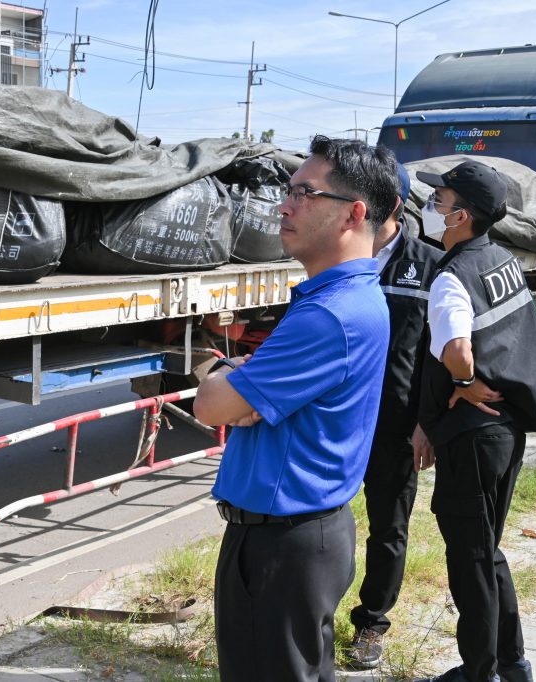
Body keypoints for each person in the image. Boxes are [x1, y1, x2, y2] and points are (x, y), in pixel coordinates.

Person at [193, 135, 396, 681]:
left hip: (285, 543)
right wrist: (244, 385)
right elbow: (229, 404)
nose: (283, 205)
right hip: (284, 536)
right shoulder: (336, 300)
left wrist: (227, 377)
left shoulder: (331, 315)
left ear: (354, 213)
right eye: (288, 191)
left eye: (305, 193)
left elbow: (210, 406)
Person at [413, 160, 536, 682]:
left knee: (470, 561)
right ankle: (511, 663)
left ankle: (481, 672)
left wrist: (459, 383)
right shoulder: (499, 259)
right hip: (503, 431)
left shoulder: (452, 275)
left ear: (462, 215)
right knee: (487, 551)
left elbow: (456, 349)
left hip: (474, 435)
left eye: (440, 200)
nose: (433, 208)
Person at [345, 164, 443, 668]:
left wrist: (427, 422)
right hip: (338, 420)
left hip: (397, 424)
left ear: (394, 206)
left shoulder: (430, 267)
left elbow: (437, 355)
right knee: (323, 522)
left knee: (388, 528)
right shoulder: (339, 259)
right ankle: (313, 608)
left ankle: (372, 623)